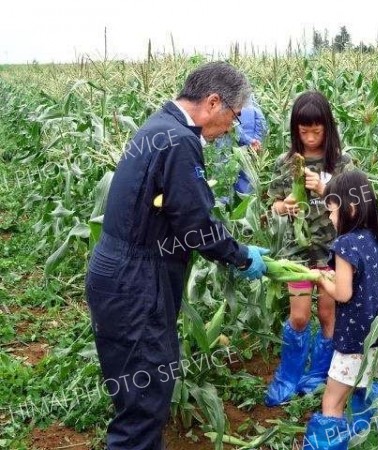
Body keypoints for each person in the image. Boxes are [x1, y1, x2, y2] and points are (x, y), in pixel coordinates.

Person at [85, 62, 269, 450]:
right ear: (213, 102)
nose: (233, 127)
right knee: (144, 399)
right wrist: (240, 256)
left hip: (120, 274)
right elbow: (195, 225)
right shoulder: (180, 141)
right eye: (233, 116)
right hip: (136, 283)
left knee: (141, 392)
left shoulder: (160, 125)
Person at [303, 170, 378, 450]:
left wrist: (320, 278)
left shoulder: (344, 245)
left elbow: (344, 293)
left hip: (352, 343)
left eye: (332, 213)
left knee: (333, 402)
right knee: (368, 393)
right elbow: (370, 282)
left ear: (349, 209)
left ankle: (328, 445)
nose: (331, 220)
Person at [265, 90, 354, 406]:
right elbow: (272, 204)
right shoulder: (287, 163)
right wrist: (284, 206)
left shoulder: (342, 165)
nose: (311, 137)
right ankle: (288, 375)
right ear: (295, 130)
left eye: (317, 131)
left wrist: (326, 188)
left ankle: (318, 374)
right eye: (304, 132)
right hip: (298, 253)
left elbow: (356, 207)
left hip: (332, 252)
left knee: (328, 314)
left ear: (328, 128)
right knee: (300, 317)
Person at [215, 95, 268, 196]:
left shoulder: (228, 97)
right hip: (247, 146)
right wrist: (256, 140)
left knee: (225, 177)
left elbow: (234, 124)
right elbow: (260, 120)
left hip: (230, 144)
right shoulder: (248, 96)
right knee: (246, 178)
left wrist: (251, 140)